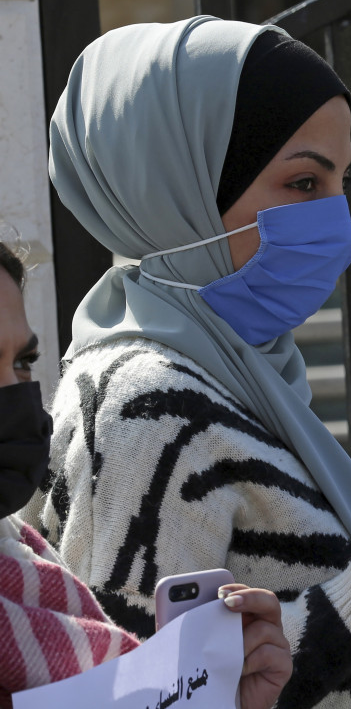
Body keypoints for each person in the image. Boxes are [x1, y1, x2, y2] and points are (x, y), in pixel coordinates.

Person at [20, 17, 351, 709]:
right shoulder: (145, 408)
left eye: (341, 182)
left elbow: (344, 658)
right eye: (302, 182)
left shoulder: (240, 380)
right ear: (186, 190)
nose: (337, 224)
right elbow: (140, 694)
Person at [0, 241, 291, 708]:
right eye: (301, 184)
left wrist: (217, 698)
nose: (14, 395)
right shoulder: (143, 406)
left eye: (22, 363)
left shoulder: (20, 557)